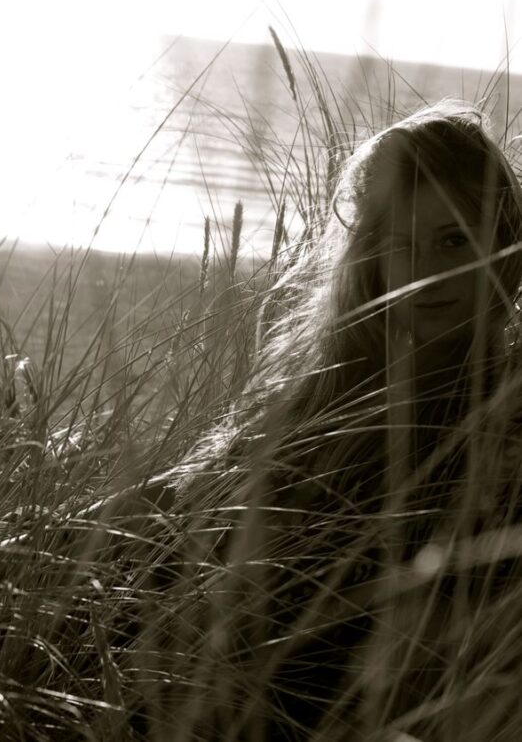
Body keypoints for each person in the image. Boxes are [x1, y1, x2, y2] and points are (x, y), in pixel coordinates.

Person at [149, 99, 522, 740]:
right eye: (403, 246)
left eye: (455, 240)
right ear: (371, 262)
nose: (430, 273)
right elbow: (198, 499)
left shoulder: (508, 409)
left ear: (505, 244)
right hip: (228, 668)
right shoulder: (328, 379)